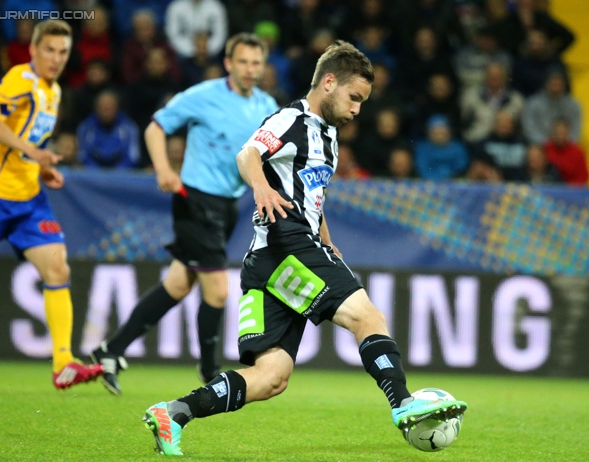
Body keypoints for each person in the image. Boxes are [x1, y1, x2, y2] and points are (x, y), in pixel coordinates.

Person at [141, 40, 467, 457]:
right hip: (287, 246)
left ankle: (175, 412)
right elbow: (248, 154)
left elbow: (312, 195)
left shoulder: (327, 138)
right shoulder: (291, 119)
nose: (357, 110)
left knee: (271, 376)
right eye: (354, 97)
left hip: (267, 261)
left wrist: (327, 239)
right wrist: (259, 187)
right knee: (367, 316)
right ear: (328, 82)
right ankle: (403, 403)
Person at [90, 33, 279, 395]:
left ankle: (109, 351)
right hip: (195, 199)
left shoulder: (267, 104)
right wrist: (163, 168)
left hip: (228, 206)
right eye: (243, 61)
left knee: (178, 284)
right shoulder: (203, 95)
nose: (250, 69)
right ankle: (209, 371)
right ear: (228, 63)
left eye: (256, 62)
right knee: (218, 290)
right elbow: (156, 126)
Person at [0, 20, 103, 389]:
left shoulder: (52, 92)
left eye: (63, 52)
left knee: (57, 270)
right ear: (35, 50)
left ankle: (63, 363)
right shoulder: (20, 79)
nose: (56, 58)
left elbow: (25, 140)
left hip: (29, 201)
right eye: (50, 50)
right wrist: (33, 151)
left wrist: (40, 167)